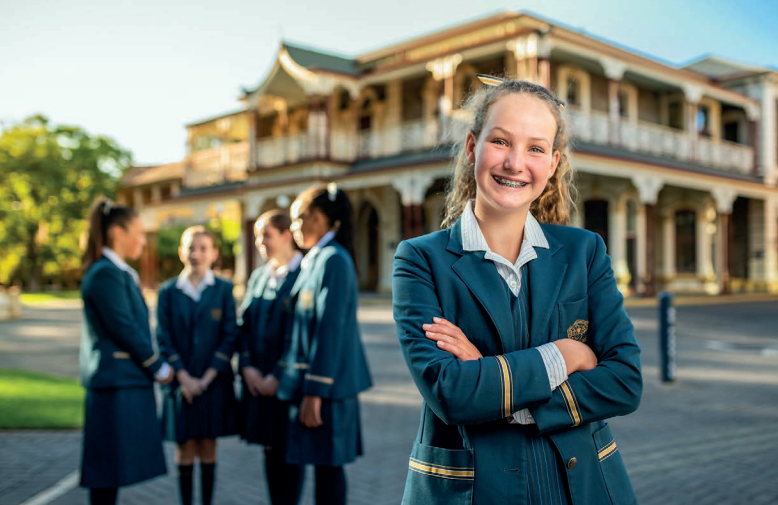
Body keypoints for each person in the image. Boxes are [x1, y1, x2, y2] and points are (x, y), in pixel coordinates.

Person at [392, 77, 643, 504]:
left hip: (582, 489)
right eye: (501, 141)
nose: (514, 162)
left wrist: (498, 382)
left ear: (552, 162)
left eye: (535, 148)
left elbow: (625, 381)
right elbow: (450, 391)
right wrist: (564, 355)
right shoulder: (419, 260)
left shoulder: (585, 252)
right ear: (472, 148)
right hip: (474, 490)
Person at [277, 183, 373, 505]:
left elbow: (330, 331)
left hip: (329, 390)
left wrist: (314, 393)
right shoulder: (315, 259)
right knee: (320, 466)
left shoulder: (333, 260)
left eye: (297, 219)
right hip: (317, 387)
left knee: (328, 471)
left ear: (318, 218)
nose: (293, 228)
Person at [79, 198, 172, 505]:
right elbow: (125, 328)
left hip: (121, 382)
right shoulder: (106, 273)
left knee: (112, 470)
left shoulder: (116, 271)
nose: (143, 240)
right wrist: (157, 366)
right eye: (139, 232)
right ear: (117, 232)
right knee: (106, 471)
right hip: (115, 383)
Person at [156, 226, 239, 505]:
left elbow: (230, 336)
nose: (197, 254)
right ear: (181, 252)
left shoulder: (224, 289)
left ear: (214, 253)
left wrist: (205, 379)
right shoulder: (168, 292)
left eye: (203, 248)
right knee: (185, 445)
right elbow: (163, 338)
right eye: (191, 247)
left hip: (213, 383)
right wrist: (184, 377)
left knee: (207, 444)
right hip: (182, 384)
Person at [238, 210, 305, 505]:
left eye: (265, 235)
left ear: (286, 235)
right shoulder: (259, 277)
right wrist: (247, 367)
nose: (259, 242)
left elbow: (302, 332)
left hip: (288, 384)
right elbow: (243, 326)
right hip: (258, 382)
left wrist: (278, 376)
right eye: (256, 236)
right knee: (268, 450)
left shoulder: (304, 274)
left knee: (290, 453)